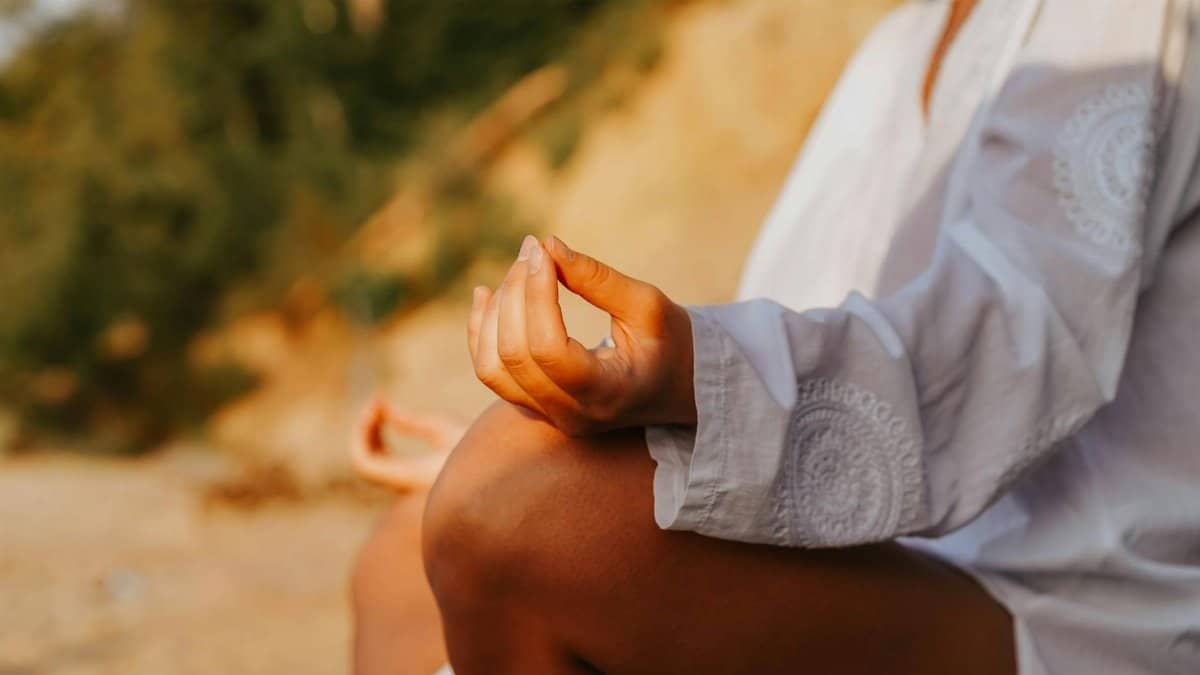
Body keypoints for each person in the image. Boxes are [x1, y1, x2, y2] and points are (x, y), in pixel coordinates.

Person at [353, 0, 1200, 673]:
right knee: (402, 554)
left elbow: (997, 358)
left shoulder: (1116, 14)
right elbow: (803, 315)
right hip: (898, 555)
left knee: (512, 508)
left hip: (1062, 604)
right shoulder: (894, 52)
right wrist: (589, 430)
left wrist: (687, 377)